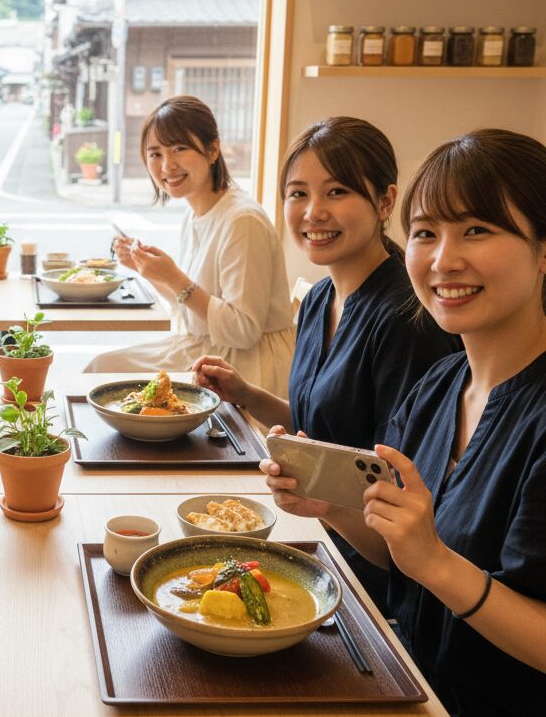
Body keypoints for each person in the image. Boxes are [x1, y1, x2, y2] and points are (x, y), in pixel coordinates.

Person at [263, 129, 546, 717]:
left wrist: (436, 564)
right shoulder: (440, 386)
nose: (444, 259)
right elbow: (399, 553)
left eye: (477, 230)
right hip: (419, 699)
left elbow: (434, 567)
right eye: (425, 233)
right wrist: (331, 506)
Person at [192, 118, 459, 609]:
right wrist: (247, 395)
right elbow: (322, 428)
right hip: (318, 533)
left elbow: (397, 481)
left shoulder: (406, 319)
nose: (313, 212)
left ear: (385, 201)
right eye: (298, 194)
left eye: (336, 191)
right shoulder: (320, 297)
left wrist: (324, 507)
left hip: (372, 574)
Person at [86, 95, 294, 395]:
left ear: (213, 150)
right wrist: (147, 270)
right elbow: (189, 309)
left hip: (244, 367)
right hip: (207, 351)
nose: (167, 165)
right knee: (100, 370)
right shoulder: (195, 213)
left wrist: (173, 277)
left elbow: (243, 331)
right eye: (155, 154)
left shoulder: (242, 221)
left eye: (179, 149)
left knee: (102, 378)